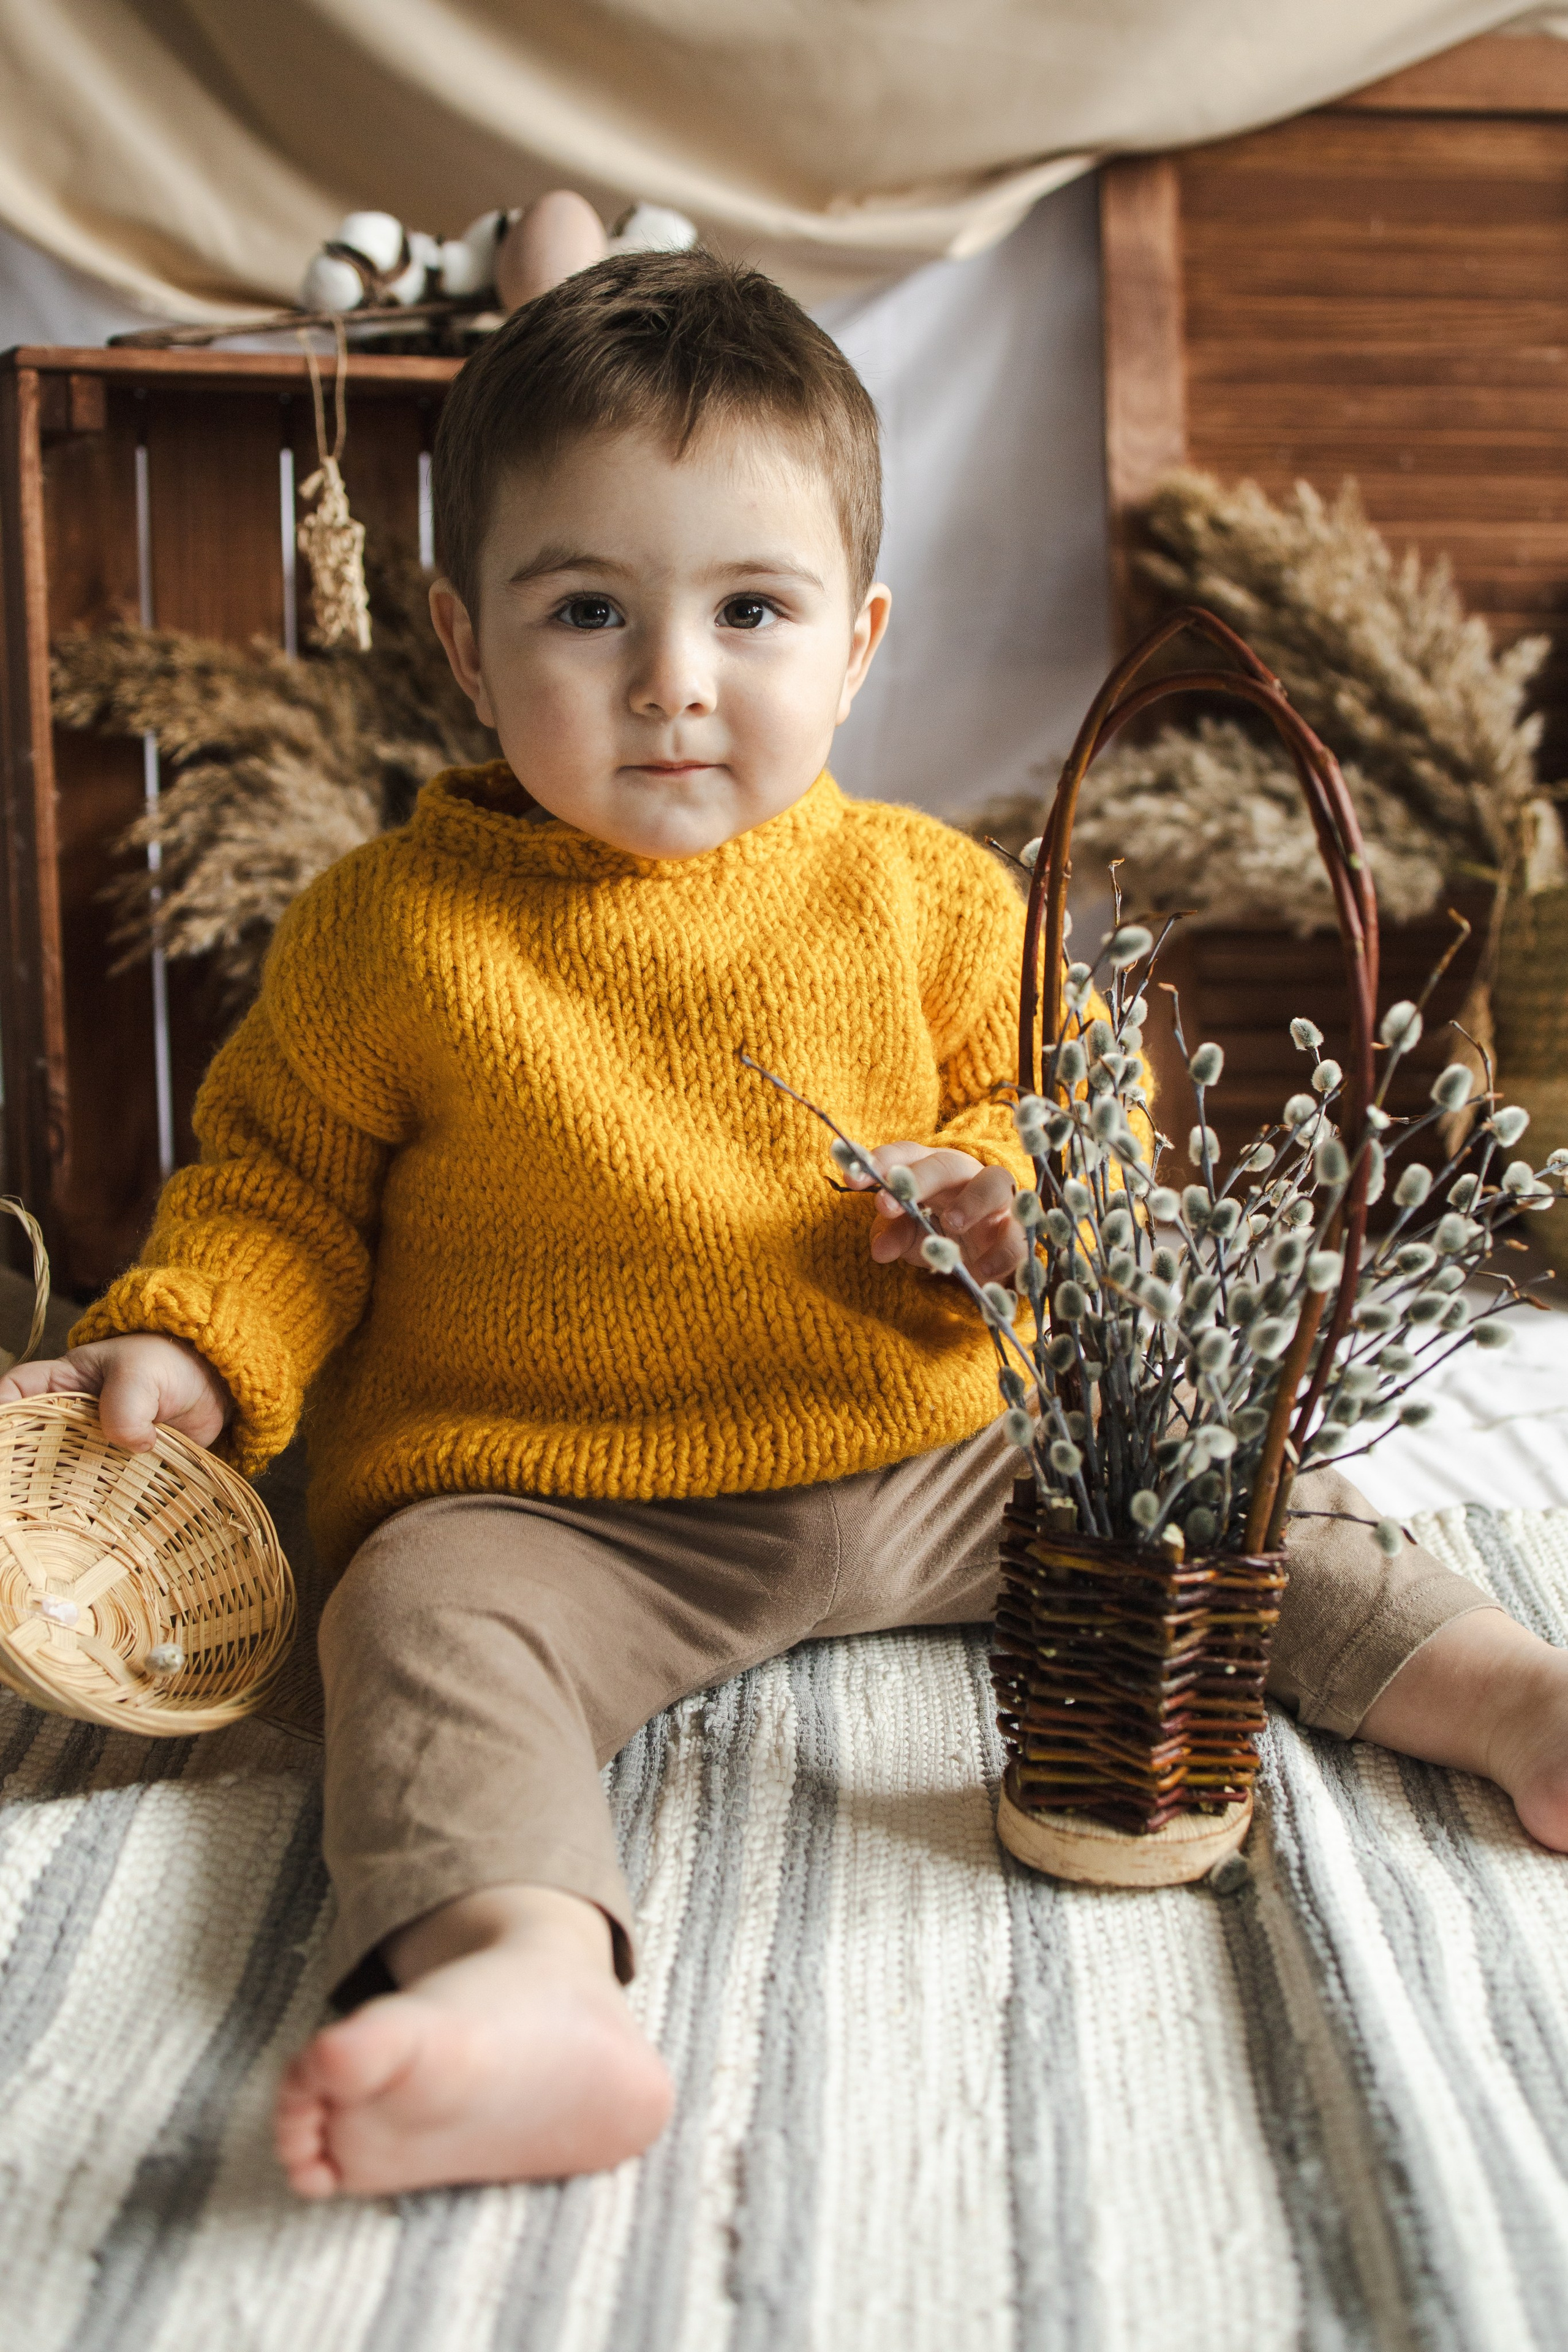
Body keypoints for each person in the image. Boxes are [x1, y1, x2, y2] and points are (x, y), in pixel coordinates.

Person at [5, 250, 1566, 2204]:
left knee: (1218, 1490)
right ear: (462, 646)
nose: (674, 676)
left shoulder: (921, 896)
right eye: (589, 609)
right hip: (560, 1505)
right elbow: (278, 1193)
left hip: (937, 1453)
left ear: (857, 640)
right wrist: (191, 1340)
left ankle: (1510, 1693)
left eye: (751, 608)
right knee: (415, 1626)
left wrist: (1008, 1193)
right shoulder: (392, 934)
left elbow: (1080, 1104)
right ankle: (523, 1975)